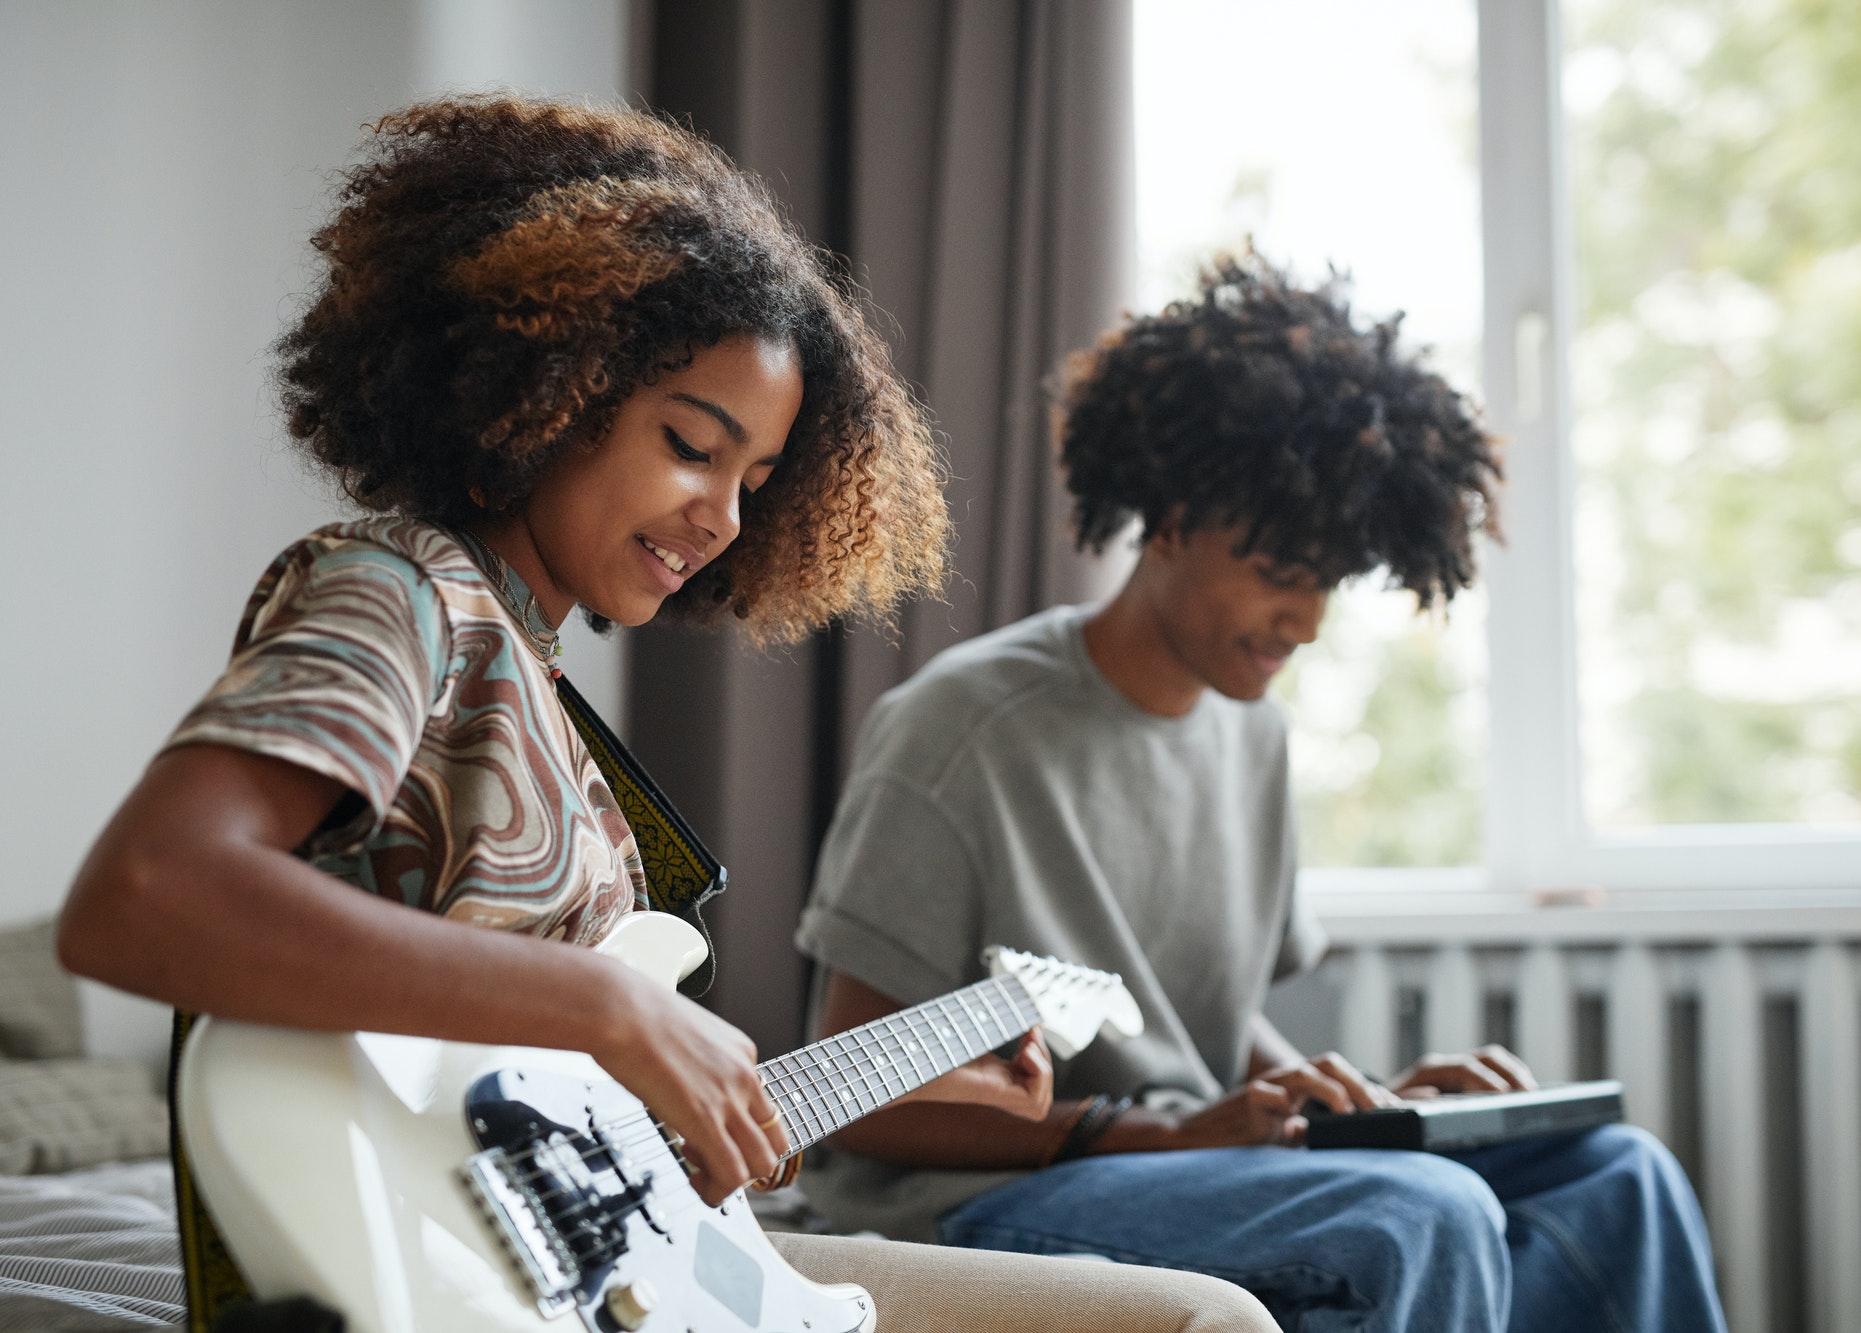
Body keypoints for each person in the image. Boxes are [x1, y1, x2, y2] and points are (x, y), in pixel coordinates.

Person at [57, 96, 1279, 1333]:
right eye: (692, 444)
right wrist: (615, 1005)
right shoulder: (402, 590)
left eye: (755, 482)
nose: (726, 520)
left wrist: (880, 1091)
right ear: (541, 388)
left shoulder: (540, 693)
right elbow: (149, 892)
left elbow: (566, 1145)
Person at [795, 255, 1730, 1333]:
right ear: (1174, 513)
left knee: (1617, 1172)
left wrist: (1361, 1106)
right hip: (974, 1200)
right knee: (1412, 1218)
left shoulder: (1255, 733)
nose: (1309, 620)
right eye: (1284, 570)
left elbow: (1210, 1019)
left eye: (1330, 579)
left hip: (1182, 1159)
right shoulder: (961, 727)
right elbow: (854, 1099)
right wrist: (1149, 1132)